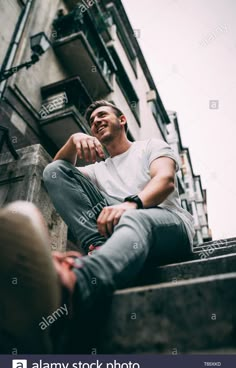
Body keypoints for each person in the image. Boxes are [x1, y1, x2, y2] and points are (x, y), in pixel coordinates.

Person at [0, 100, 194, 353]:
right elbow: (54, 174)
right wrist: (73, 140)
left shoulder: (149, 146)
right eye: (91, 122)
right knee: (57, 169)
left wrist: (131, 205)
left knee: (134, 218)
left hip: (170, 225)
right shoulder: (98, 170)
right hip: (126, 229)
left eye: (103, 115)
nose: (96, 122)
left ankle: (75, 286)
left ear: (122, 120)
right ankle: (99, 248)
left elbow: (165, 180)